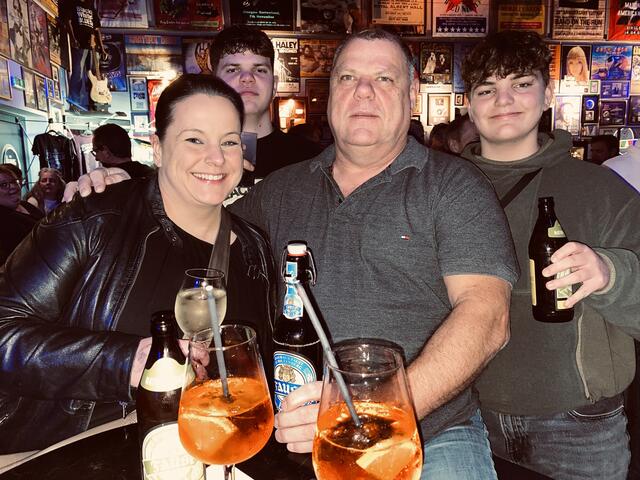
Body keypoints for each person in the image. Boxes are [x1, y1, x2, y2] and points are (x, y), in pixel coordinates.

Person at [63, 29, 519, 479]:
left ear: (412, 92)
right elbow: (192, 219)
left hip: (429, 431)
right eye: (348, 78)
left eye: (384, 78)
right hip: (297, 435)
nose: (363, 92)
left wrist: (377, 413)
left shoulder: (454, 185)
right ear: (330, 92)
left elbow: (486, 316)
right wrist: (130, 190)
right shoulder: (281, 190)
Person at [0, 74, 277, 453]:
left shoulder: (253, 247)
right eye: (194, 139)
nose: (216, 158)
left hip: (206, 453)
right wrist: (126, 360)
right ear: (158, 148)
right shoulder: (93, 219)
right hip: (85, 456)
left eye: (228, 141)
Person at [461, 30, 640, 479]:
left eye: (521, 83)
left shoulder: (600, 189)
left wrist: (610, 273)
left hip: (578, 426)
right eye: (487, 89)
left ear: (547, 96)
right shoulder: (440, 189)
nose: (504, 99)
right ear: (468, 105)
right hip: (464, 420)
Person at [210, 26, 323, 182]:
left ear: (274, 86)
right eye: (232, 70)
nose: (247, 77)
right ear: (214, 85)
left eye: (260, 70)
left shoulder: (312, 160)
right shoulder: (193, 157)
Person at [59, 0, 106, 111]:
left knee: (95, 77)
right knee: (78, 73)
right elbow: (68, 21)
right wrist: (73, 38)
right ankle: (74, 103)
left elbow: (97, 29)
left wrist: (102, 48)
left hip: (93, 47)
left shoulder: (91, 7)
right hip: (80, 44)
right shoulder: (72, 3)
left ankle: (97, 103)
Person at [0, 165, 43, 265]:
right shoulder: (3, 220)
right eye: (4, 185)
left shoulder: (26, 205)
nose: (14, 187)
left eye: (14, 181)